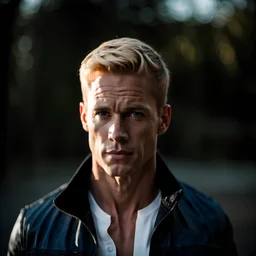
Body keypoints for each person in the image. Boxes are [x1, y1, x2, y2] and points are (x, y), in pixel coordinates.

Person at [7, 37, 238, 256]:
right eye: (102, 113)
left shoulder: (209, 224)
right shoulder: (34, 227)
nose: (116, 133)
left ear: (163, 120)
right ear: (85, 117)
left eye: (135, 113)